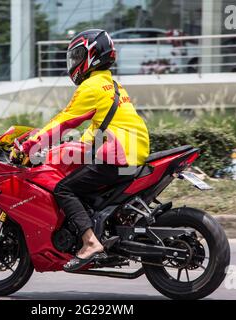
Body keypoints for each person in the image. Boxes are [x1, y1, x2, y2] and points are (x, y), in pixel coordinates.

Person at [21, 29, 150, 271]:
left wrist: (29, 145)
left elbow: (63, 122)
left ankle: (90, 242)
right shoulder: (113, 85)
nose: (75, 62)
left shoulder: (91, 87)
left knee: (64, 189)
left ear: (91, 55)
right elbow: (96, 131)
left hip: (117, 157)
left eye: (78, 55)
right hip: (135, 153)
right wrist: (62, 149)